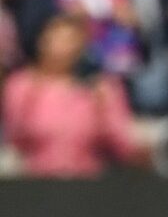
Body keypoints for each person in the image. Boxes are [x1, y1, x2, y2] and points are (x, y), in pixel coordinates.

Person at [2, 16, 142, 178]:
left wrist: (103, 106)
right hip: (36, 182)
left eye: (70, 41)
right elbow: (15, 137)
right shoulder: (22, 85)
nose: (62, 48)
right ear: (42, 41)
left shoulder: (101, 88)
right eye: (56, 39)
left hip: (88, 182)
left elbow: (122, 144)